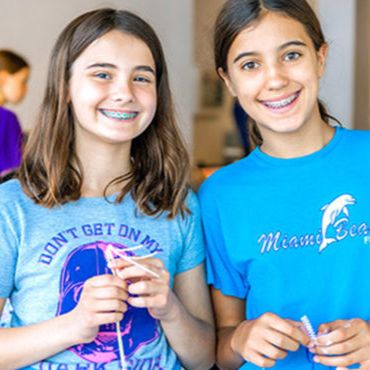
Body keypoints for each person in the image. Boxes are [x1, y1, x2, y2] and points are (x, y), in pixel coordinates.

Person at [0, 9, 215, 370]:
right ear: (65, 87)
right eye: (102, 74)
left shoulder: (177, 205)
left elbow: (204, 357)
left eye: (142, 78)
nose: (124, 93)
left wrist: (170, 309)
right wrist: (75, 325)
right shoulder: (12, 207)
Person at [199, 0, 370, 369]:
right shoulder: (219, 195)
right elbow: (222, 346)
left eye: (291, 55)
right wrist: (242, 338)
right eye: (250, 65)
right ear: (228, 80)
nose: (275, 79)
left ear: (320, 58)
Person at [0, 49, 30, 176]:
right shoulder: (8, 119)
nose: (25, 88)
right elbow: (13, 172)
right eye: (23, 81)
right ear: (3, 78)